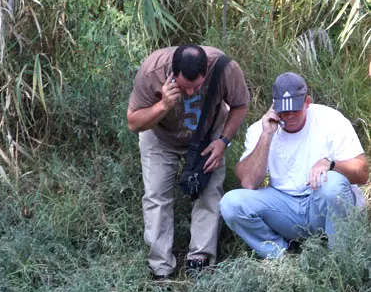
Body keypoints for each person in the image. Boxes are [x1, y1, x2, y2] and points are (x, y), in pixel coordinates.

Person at [127, 44, 250, 279]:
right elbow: (133, 122)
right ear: (172, 74)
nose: (192, 93)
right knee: (156, 196)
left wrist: (223, 141)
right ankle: (160, 267)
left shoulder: (224, 67)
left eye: (197, 87)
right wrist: (163, 104)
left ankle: (200, 259)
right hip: (160, 137)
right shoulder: (152, 71)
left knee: (209, 191)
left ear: (206, 72)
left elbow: (240, 104)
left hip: (208, 134)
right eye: (185, 88)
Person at [219, 72, 369, 258]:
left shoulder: (331, 120)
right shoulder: (260, 129)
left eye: (295, 110)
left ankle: (340, 257)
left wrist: (331, 164)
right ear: (274, 106)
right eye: (283, 111)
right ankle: (283, 256)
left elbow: (363, 173)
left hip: (321, 203)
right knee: (230, 203)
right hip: (285, 207)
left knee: (333, 184)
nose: (289, 116)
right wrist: (267, 136)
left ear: (307, 102)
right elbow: (249, 183)